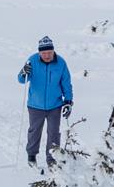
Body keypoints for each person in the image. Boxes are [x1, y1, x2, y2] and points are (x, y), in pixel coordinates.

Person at [17, 36, 73, 168]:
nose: (47, 55)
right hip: (35, 104)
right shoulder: (32, 60)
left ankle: (52, 158)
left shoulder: (61, 63)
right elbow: (21, 80)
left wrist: (69, 101)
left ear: (53, 51)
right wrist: (23, 72)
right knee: (34, 130)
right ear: (39, 53)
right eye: (43, 53)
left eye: (49, 52)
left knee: (54, 132)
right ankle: (31, 155)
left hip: (55, 105)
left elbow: (66, 83)